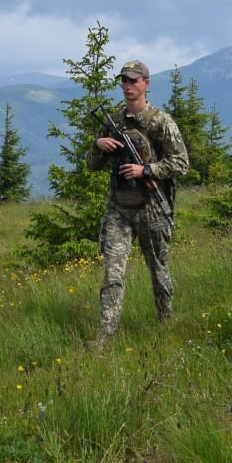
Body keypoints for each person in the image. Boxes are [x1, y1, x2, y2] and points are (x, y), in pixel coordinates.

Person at [85, 60, 189, 348]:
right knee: (112, 272)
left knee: (158, 270)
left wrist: (147, 171)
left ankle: (166, 325)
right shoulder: (113, 121)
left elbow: (181, 163)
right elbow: (91, 165)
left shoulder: (160, 122)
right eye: (124, 81)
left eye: (134, 81)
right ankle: (105, 336)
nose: (128, 86)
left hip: (152, 207)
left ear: (146, 83)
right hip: (119, 207)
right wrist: (98, 145)